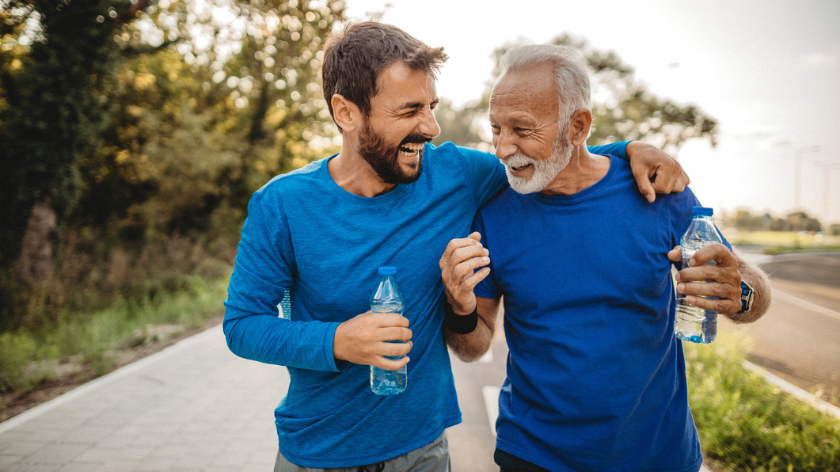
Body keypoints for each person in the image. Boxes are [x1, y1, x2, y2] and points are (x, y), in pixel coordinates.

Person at [223, 22, 690, 471]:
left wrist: (629, 150)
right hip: (315, 449)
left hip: (420, 450)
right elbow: (242, 325)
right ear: (346, 113)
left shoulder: (457, 176)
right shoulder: (281, 205)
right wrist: (337, 341)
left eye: (432, 105)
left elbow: (552, 156)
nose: (431, 127)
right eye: (409, 111)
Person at [439, 44, 771, 472]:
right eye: (496, 128)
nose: (503, 148)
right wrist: (461, 308)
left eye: (522, 130)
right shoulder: (493, 212)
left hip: (658, 455)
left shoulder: (657, 193)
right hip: (534, 455)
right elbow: (474, 345)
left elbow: (750, 291)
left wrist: (740, 294)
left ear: (578, 127)